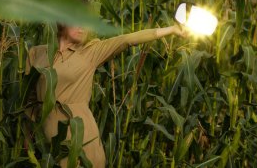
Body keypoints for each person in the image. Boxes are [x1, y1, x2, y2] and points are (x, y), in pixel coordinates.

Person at [25, 23, 188, 167]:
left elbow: (127, 39)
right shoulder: (36, 53)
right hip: (46, 136)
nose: (83, 27)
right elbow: (29, 100)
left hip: (79, 133)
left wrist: (172, 30)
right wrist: (27, 137)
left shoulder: (90, 52)